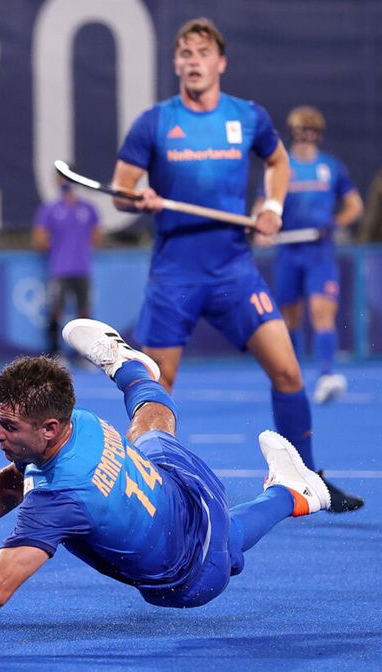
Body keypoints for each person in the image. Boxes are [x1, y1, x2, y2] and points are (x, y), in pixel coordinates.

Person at [0, 318, 331, 655]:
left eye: (8, 426)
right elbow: (18, 481)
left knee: (220, 538)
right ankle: (130, 367)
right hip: (187, 487)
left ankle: (290, 495)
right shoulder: (82, 422)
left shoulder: (60, 500)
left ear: (50, 428)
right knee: (151, 426)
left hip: (189, 577)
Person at [108, 18, 362, 512]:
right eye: (184, 53)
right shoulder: (154, 122)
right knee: (155, 387)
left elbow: (278, 162)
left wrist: (272, 207)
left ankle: (307, 479)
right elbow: (121, 189)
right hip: (174, 276)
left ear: (220, 63)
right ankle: (144, 489)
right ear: (176, 64)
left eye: (202, 52)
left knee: (288, 373)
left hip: (233, 271)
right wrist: (139, 199)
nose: (192, 60)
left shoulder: (247, 117)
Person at [257, 106, 361, 404]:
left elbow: (354, 206)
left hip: (320, 254)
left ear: (319, 135)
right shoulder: (280, 167)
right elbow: (263, 206)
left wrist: (335, 223)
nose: (307, 138)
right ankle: (294, 378)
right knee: (290, 320)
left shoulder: (331, 167)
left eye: (313, 132)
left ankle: (327, 375)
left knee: (322, 314)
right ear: (293, 133)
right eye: (302, 131)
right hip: (288, 252)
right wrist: (262, 227)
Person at [32, 166, 102, 355]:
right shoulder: (50, 209)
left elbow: (96, 237)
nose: (64, 182)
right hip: (60, 269)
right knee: (56, 310)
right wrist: (59, 247)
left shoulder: (88, 209)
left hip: (82, 268)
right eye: (61, 178)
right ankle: (54, 353)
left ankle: (87, 355)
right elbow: (39, 239)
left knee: (84, 313)